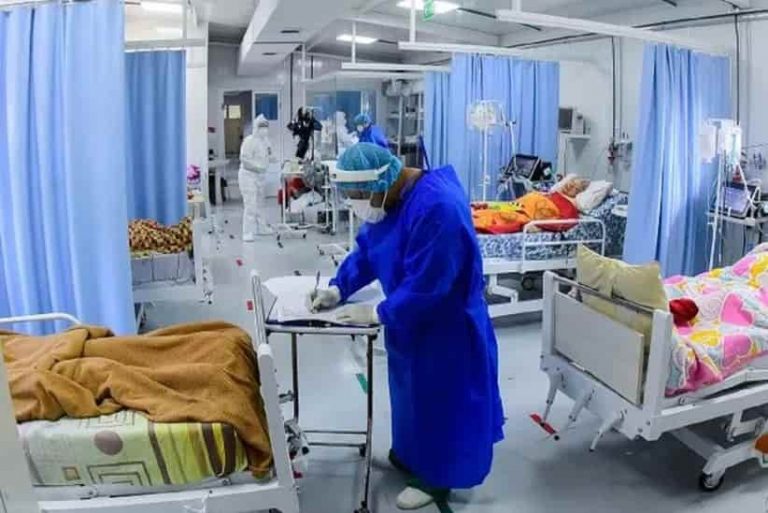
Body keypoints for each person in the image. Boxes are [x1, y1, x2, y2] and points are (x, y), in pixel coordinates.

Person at [310, 143, 504, 510]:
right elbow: (369, 249)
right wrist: (338, 288)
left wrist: (378, 312)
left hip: (446, 328)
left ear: (380, 182)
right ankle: (413, 456)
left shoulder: (437, 208)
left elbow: (430, 283)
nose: (357, 205)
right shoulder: (392, 201)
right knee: (410, 396)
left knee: (441, 401)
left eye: (358, 196)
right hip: (411, 324)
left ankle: (438, 478)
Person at [238, 114, 274, 241]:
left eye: (266, 127)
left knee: (260, 204)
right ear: (256, 127)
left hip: (260, 177)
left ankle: (262, 228)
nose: (264, 129)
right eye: (262, 127)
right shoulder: (249, 141)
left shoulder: (266, 141)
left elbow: (269, 154)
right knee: (250, 204)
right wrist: (258, 167)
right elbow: (244, 160)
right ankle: (247, 232)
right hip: (248, 176)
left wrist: (271, 159)